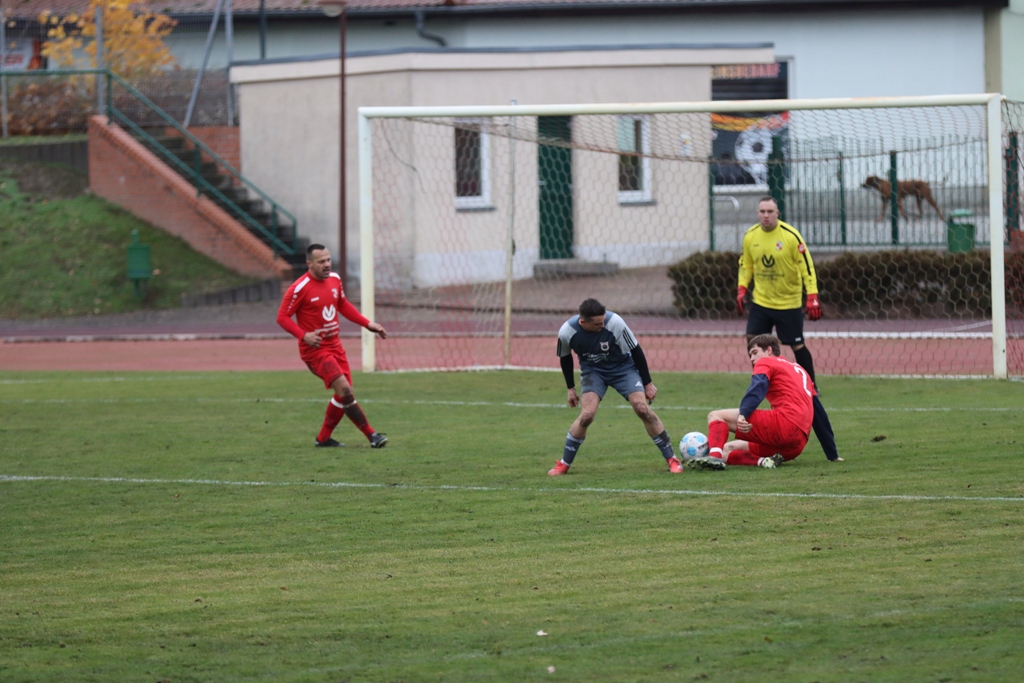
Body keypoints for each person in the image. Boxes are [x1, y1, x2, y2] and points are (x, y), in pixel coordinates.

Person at [548, 298, 683, 475]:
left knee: (642, 409)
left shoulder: (615, 322)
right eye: (597, 323)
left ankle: (672, 459)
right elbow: (565, 357)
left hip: (623, 369)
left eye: (603, 321)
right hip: (593, 372)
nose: (602, 325)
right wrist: (570, 389)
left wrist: (648, 383)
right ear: (583, 322)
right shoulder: (567, 331)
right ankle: (564, 463)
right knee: (587, 415)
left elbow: (636, 350)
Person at [277, 244, 389, 449]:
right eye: (321, 262)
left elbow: (342, 305)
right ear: (309, 264)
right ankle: (372, 435)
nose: (327, 264)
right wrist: (304, 336)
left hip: (335, 346)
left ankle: (323, 439)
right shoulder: (299, 287)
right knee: (345, 389)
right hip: (315, 351)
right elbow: (282, 317)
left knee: (343, 393)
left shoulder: (335, 279)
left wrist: (367, 324)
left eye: (328, 260)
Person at [687, 334, 843, 470]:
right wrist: (832, 454)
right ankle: (764, 461)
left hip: (784, 426)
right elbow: (819, 413)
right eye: (750, 355)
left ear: (769, 350)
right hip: (797, 444)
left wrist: (743, 414)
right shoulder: (801, 371)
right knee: (727, 449)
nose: (752, 359)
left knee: (715, 415)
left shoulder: (767, 362)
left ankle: (714, 458)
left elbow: (758, 387)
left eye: (755, 353)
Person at [737, 196, 821, 390]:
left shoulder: (791, 236)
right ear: (758, 213)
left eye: (770, 212)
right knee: (753, 340)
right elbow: (746, 265)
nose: (766, 216)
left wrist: (812, 296)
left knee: (796, 345)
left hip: (788, 303)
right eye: (762, 212)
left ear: (777, 213)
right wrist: (741, 288)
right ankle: (762, 382)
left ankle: (811, 387)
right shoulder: (750, 236)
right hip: (762, 302)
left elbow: (806, 267)